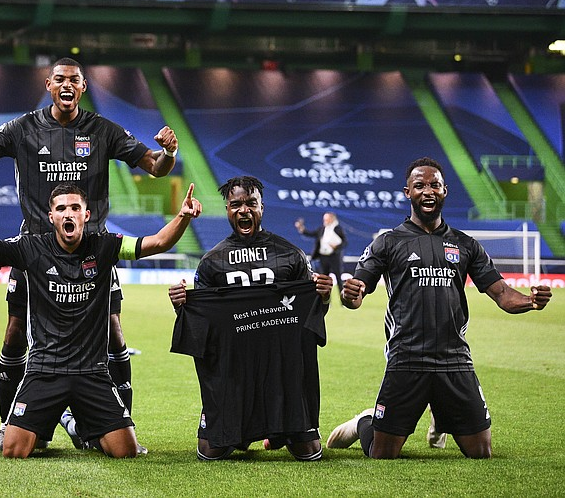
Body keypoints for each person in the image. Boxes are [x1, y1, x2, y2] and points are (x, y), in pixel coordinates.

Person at [0, 57, 180, 451]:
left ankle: (115, 425)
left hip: (93, 252)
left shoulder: (102, 130)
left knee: (113, 332)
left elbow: (156, 167)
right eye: (59, 79)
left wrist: (169, 153)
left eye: (74, 79)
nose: (67, 85)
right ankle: (10, 425)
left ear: (83, 87)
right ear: (49, 85)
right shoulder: (22, 128)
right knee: (15, 333)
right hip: (34, 250)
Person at [0, 181, 201, 458]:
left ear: (86, 215)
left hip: (92, 372)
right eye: (61, 209)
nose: (68, 213)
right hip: (44, 370)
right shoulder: (30, 248)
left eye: (75, 208)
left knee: (125, 451)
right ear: (51, 216)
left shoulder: (105, 246)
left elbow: (159, 242)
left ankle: (74, 424)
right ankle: (56, 417)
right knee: (14, 450)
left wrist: (183, 216)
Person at [325, 157, 553, 459]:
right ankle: (364, 422)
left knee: (481, 452)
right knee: (383, 454)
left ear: (445, 191)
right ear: (408, 192)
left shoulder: (466, 244)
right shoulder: (387, 242)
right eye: (420, 185)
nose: (428, 191)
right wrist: (349, 295)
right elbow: (355, 295)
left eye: (435, 185)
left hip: (454, 358)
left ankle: (441, 410)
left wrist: (530, 301)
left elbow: (501, 293)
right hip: (406, 357)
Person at [168, 176, 333, 461]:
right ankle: (249, 430)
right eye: (236, 204)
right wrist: (181, 305)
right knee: (209, 452)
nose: (244, 210)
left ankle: (276, 431)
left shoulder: (291, 255)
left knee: (309, 452)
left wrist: (324, 296)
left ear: (261, 208)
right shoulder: (212, 262)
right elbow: (202, 325)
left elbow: (310, 316)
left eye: (251, 203)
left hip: (282, 366)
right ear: (227, 210)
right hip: (234, 367)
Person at [295, 211, 346, 294]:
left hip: (334, 257)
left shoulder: (338, 229)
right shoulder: (322, 229)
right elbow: (311, 234)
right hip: (323, 257)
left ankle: (343, 297)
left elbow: (344, 242)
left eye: (326, 219)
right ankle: (325, 298)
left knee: (338, 277)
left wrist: (336, 247)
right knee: (323, 279)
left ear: (332, 219)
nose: (324, 221)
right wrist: (301, 228)